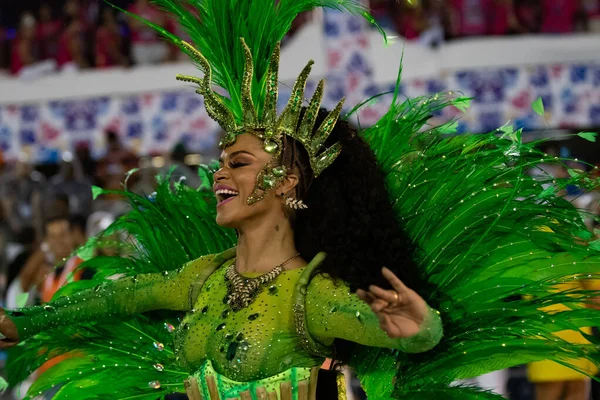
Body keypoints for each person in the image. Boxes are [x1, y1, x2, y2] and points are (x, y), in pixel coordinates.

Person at [2, 2, 600, 400]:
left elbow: (400, 333)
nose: (217, 174)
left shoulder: (311, 298)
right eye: (220, 161)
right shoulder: (202, 278)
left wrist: (419, 330)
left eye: (237, 162)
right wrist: (27, 321)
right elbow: (119, 294)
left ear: (287, 183)